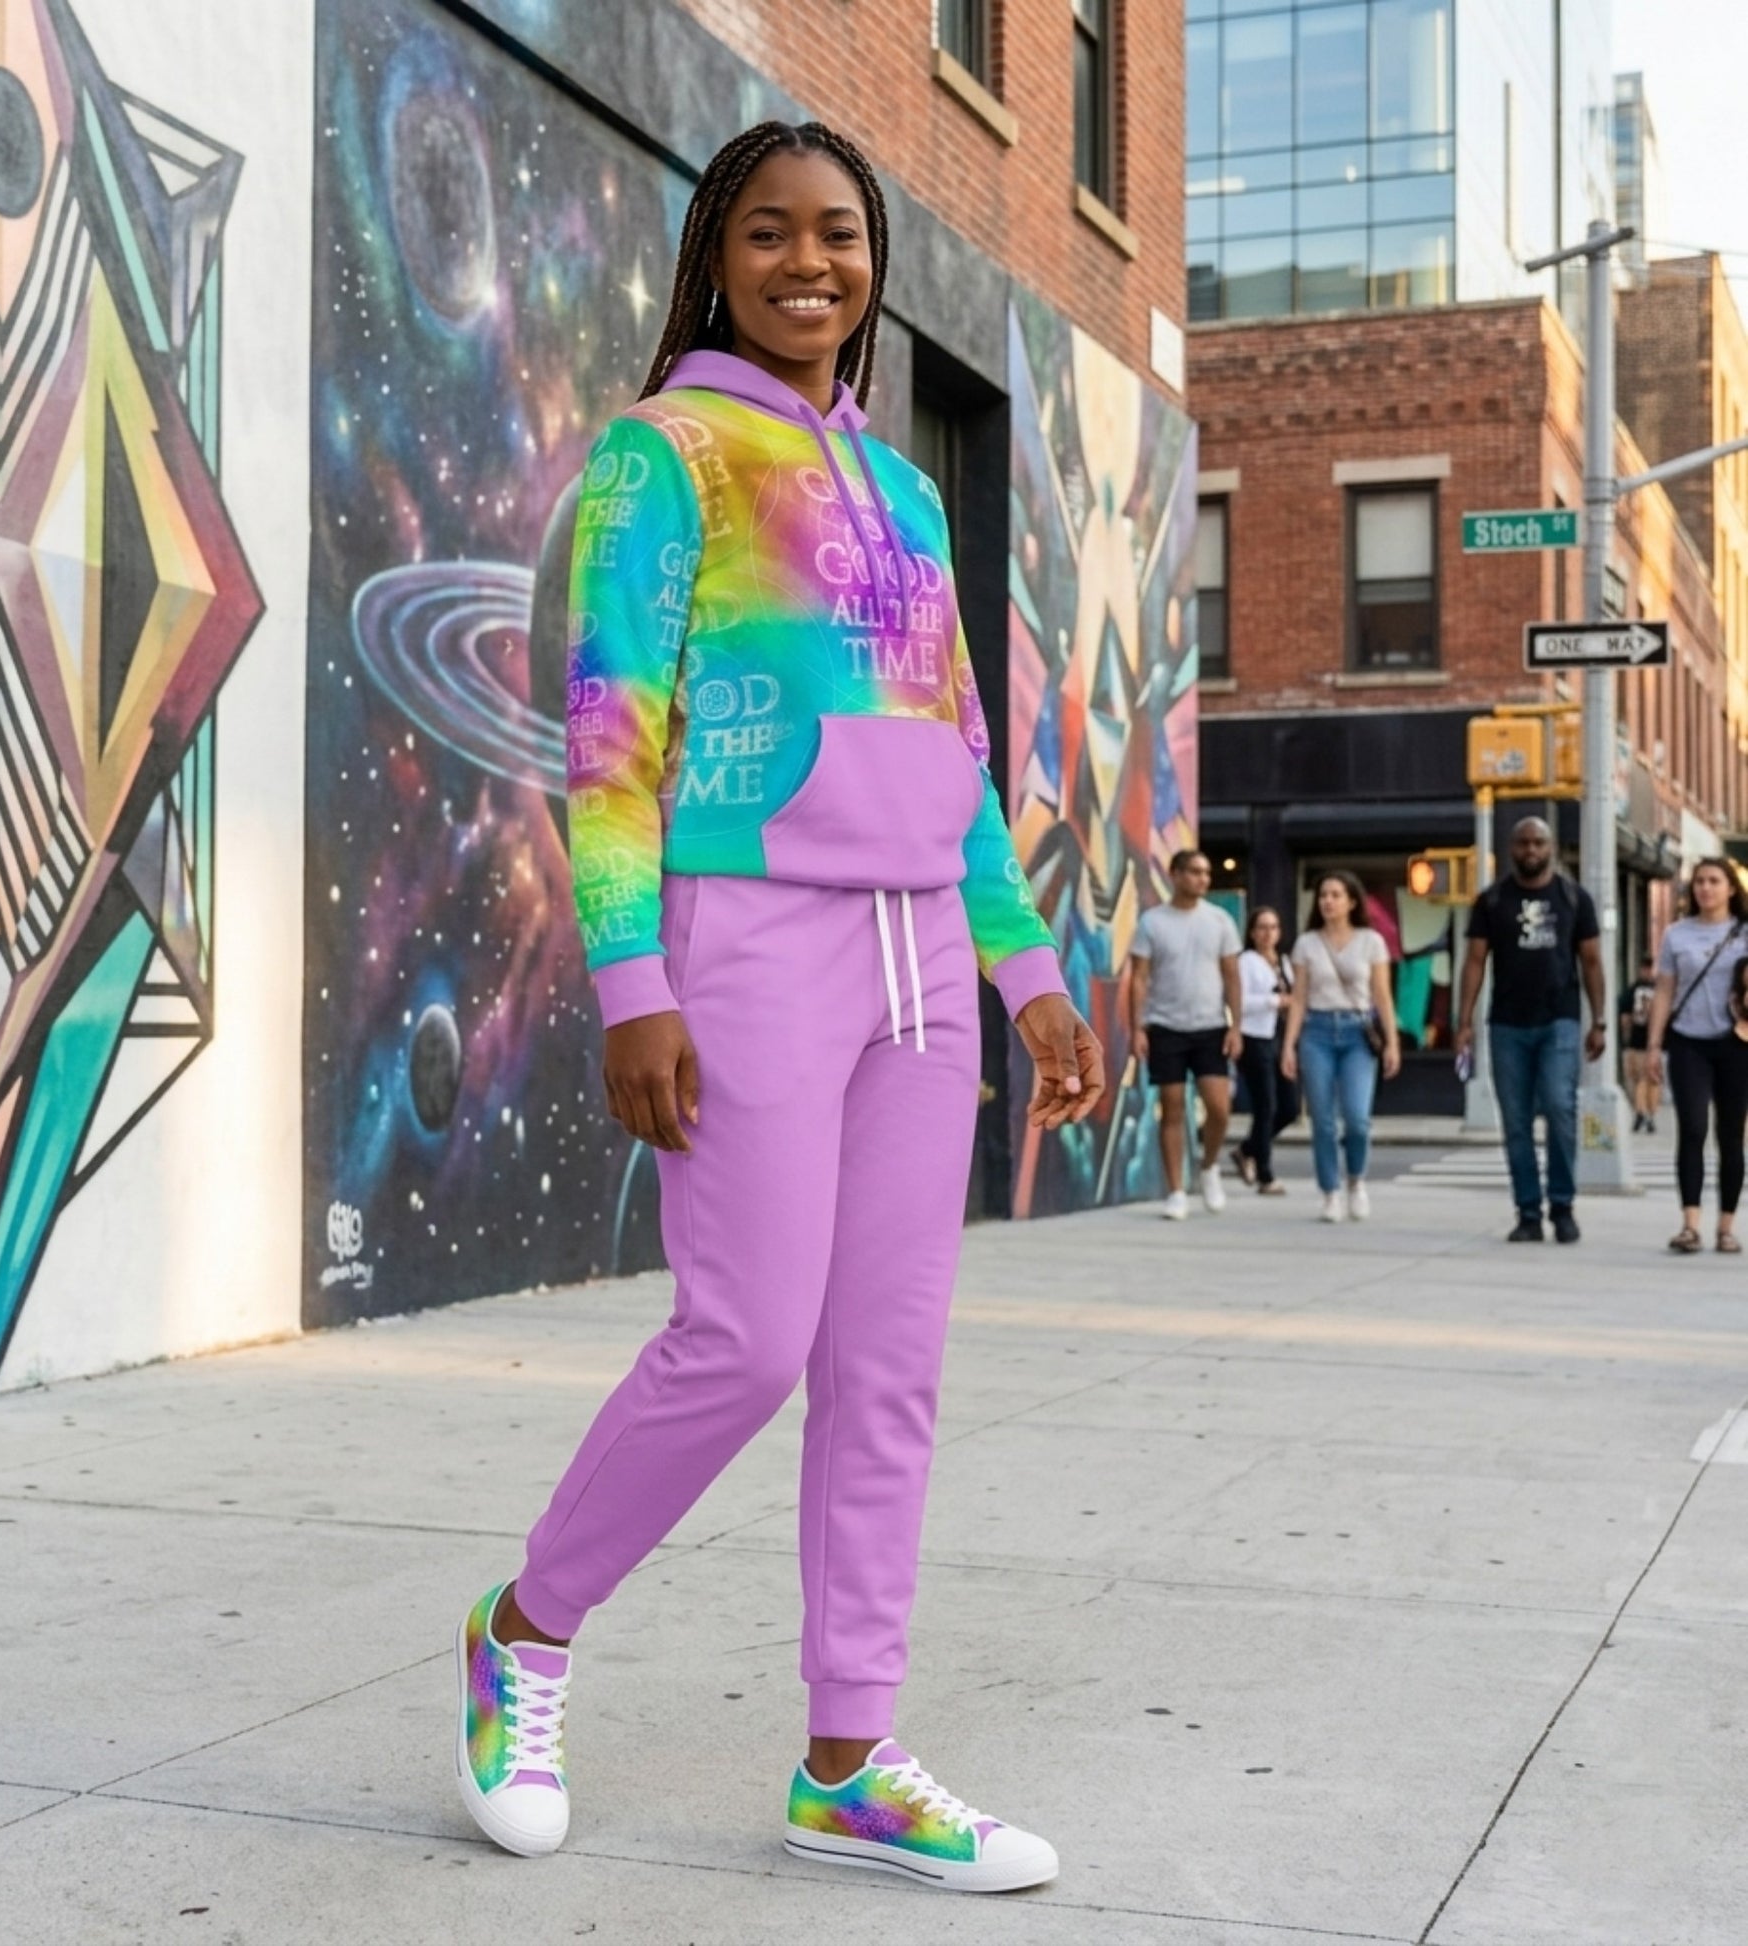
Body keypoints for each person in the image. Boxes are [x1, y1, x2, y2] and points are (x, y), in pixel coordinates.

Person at [452, 122, 1105, 1893]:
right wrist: (632, 981)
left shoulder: (907, 494)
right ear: (715, 258)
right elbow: (608, 741)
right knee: (741, 1339)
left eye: (838, 233)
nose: (808, 262)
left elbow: (957, 756)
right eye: (768, 233)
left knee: (886, 1366)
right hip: (743, 938)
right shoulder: (662, 454)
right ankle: (523, 1628)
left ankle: (848, 1761)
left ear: (872, 260)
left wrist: (1028, 974)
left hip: (923, 964)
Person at [1453, 818, 1605, 1244]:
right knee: (1516, 1122)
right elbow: (1474, 962)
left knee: (1560, 1107)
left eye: (1539, 842)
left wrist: (1599, 1021)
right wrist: (1464, 1022)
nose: (1531, 850)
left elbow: (1592, 961)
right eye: (1523, 843)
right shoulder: (1492, 900)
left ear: (1551, 847)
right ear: (1511, 848)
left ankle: (1563, 1206)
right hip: (1507, 1024)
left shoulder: (1574, 898)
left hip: (1560, 1020)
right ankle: (1528, 1213)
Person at [1127, 850, 1243, 1222]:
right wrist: (1137, 1028)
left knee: (1219, 1109)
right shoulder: (1152, 922)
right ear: (1175, 874)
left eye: (1206, 872)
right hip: (1165, 1026)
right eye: (1194, 872)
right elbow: (1139, 978)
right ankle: (1176, 1191)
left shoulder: (1220, 920)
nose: (1202, 879)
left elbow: (1232, 975)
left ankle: (1208, 1166)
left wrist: (1236, 1026)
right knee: (1172, 1107)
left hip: (1210, 1026)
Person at [1282, 871, 1400, 1223]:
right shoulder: (1307, 944)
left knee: (1357, 1118)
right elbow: (1299, 998)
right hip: (1316, 1031)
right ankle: (1330, 1191)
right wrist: (1289, 1045)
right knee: (1322, 1121)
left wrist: (1392, 1043)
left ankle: (1356, 1181)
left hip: (1357, 1032)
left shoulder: (1370, 941)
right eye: (1323, 895)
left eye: (1336, 895)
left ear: (1351, 902)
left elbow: (1382, 996)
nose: (1328, 901)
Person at [1647, 857, 1748, 1255]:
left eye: (1714, 881)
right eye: (1700, 881)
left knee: (1730, 1135)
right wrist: (1654, 1045)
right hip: (1689, 1041)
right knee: (1692, 1128)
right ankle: (1690, 1225)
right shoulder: (1676, 934)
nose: (1705, 888)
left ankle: (1726, 1226)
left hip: (1736, 1043)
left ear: (1731, 888)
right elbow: (1665, 991)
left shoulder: (1745, 933)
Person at [1232, 905, 1298, 1195]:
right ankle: (1265, 1174)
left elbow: (1296, 997)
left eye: (1273, 927)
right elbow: (1240, 1001)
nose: (1267, 934)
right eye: (1262, 927)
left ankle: (1248, 1149)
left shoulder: (1283, 962)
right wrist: (1274, 1001)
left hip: (1280, 1038)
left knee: (1289, 1107)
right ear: (1252, 932)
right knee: (1265, 1105)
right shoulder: (1246, 962)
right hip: (1254, 1037)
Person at [1619, 956, 1660, 1134]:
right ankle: (1648, 1113)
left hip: (1637, 1042)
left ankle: (1641, 1111)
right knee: (1651, 1081)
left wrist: (1625, 1038)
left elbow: (1624, 1018)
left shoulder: (1632, 990)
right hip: (1654, 1043)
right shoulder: (1658, 990)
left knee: (1639, 1080)